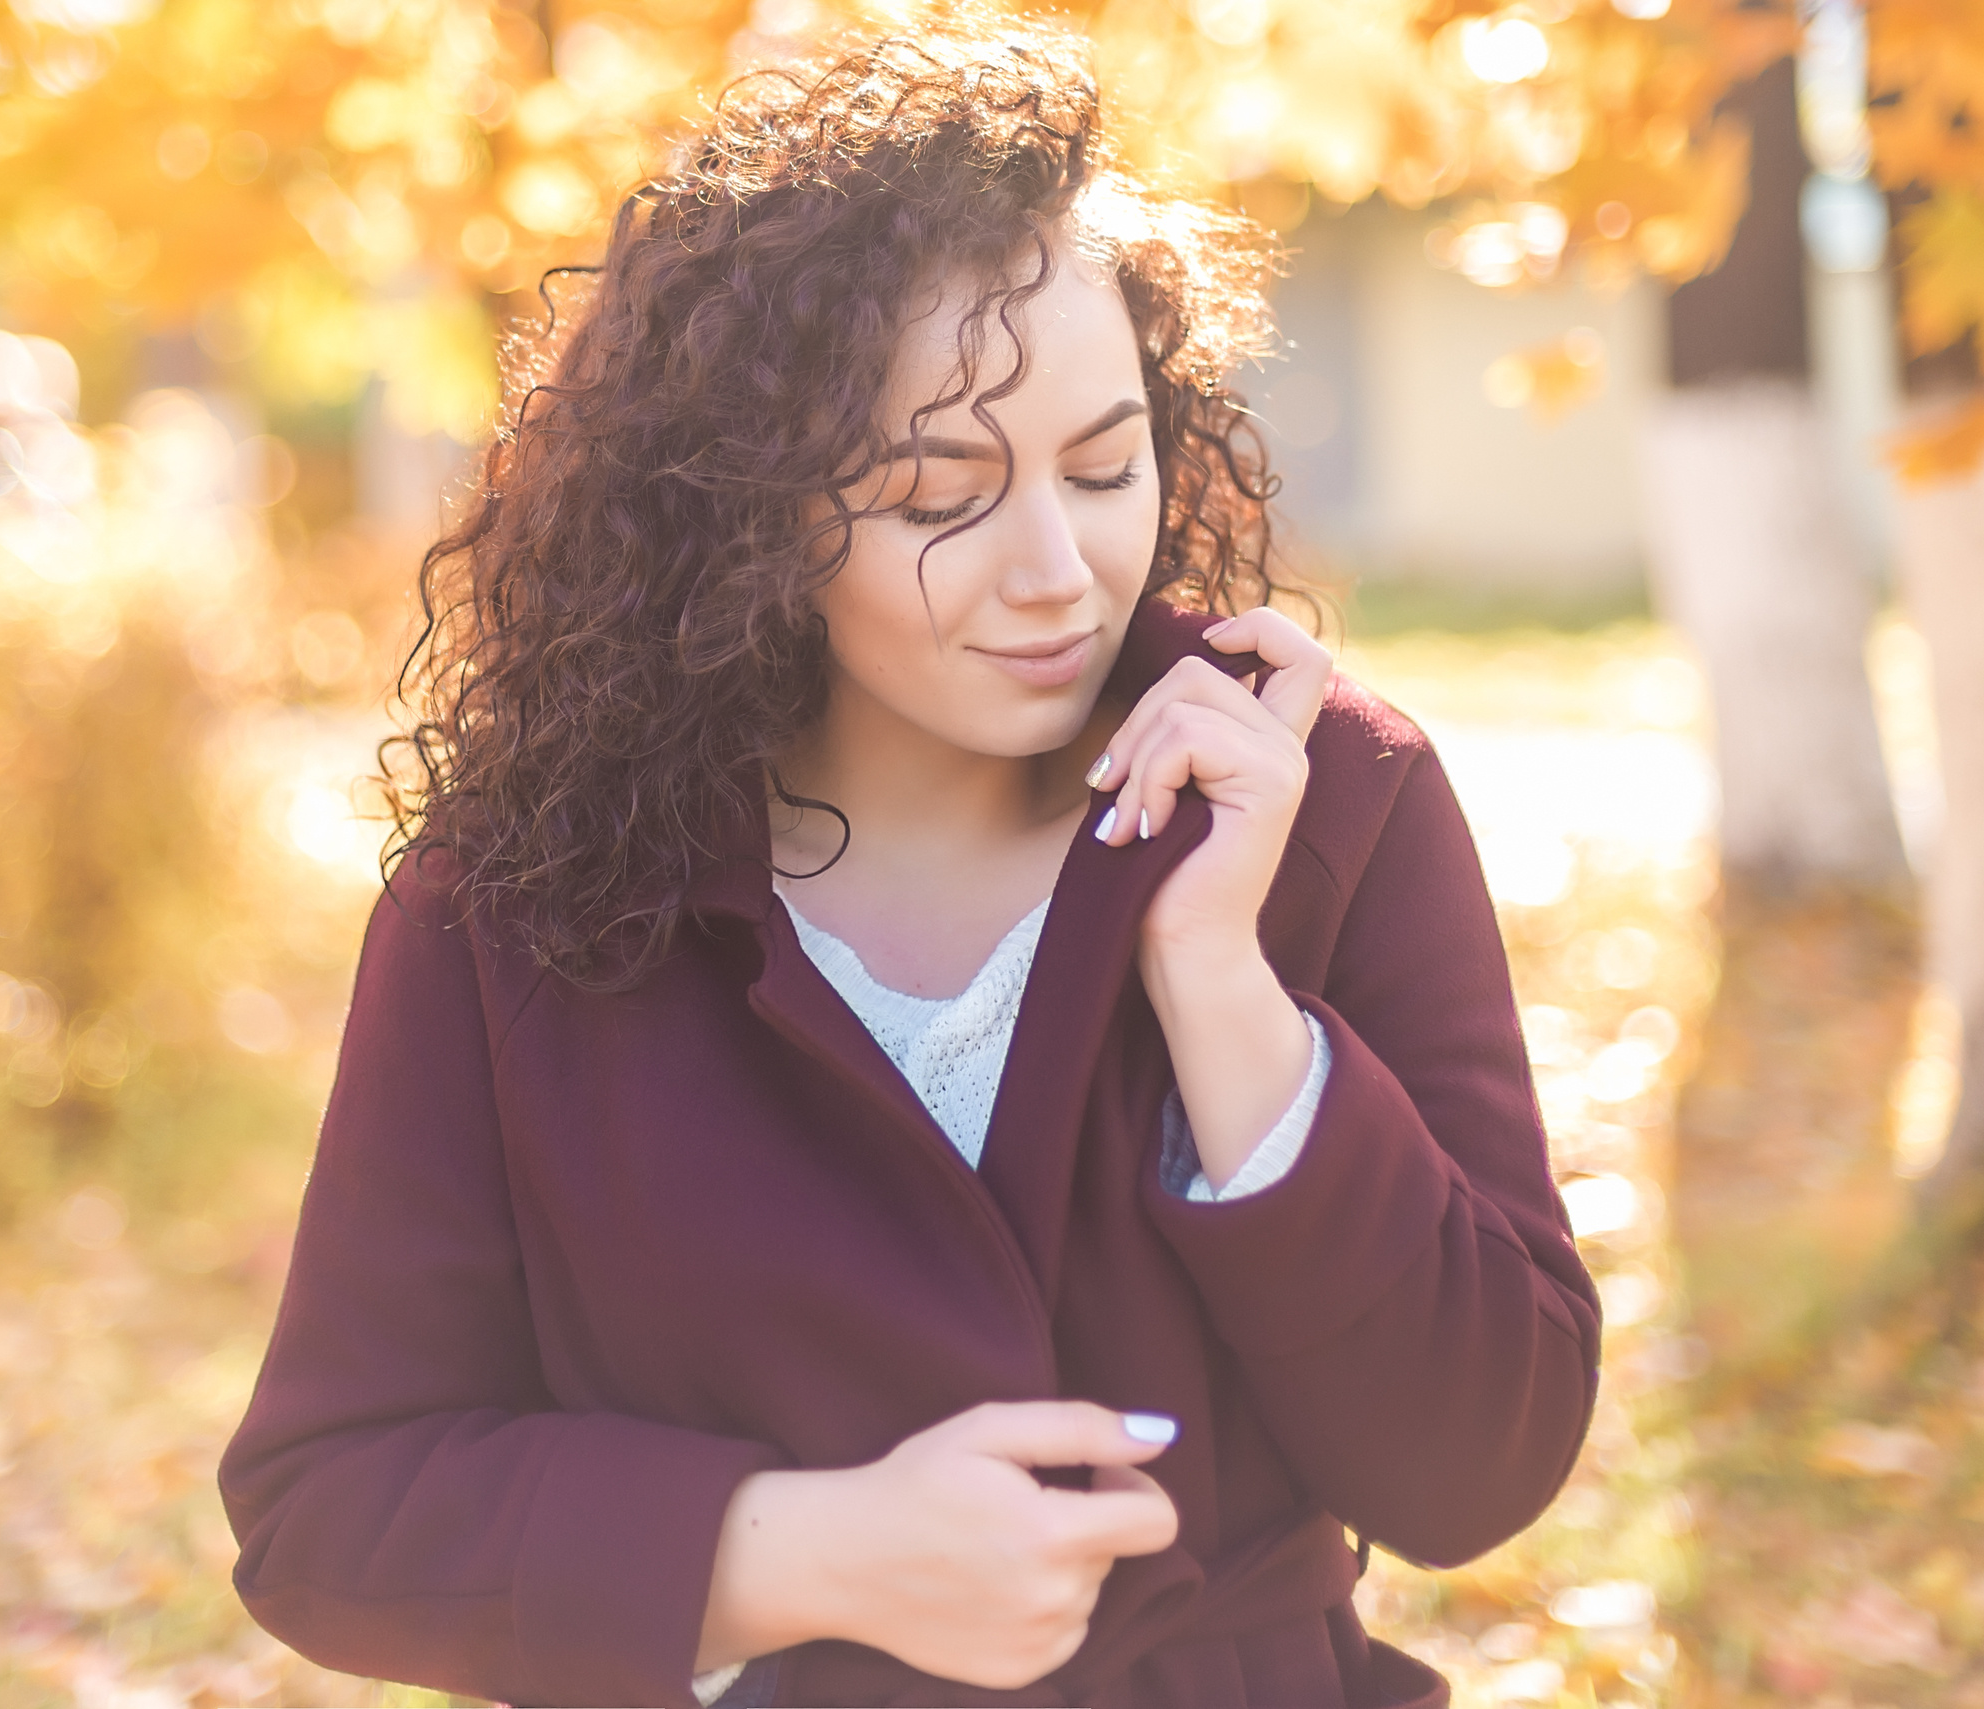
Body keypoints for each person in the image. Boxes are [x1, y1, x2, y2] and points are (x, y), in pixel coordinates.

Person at [220, 18, 1599, 1708]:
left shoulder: (1323, 802)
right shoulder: (523, 899)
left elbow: (1481, 1464)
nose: (1057, 569)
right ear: (748, 508)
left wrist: (1222, 989)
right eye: (942, 493)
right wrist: (807, 1552)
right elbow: (330, 1505)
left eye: (1106, 464)